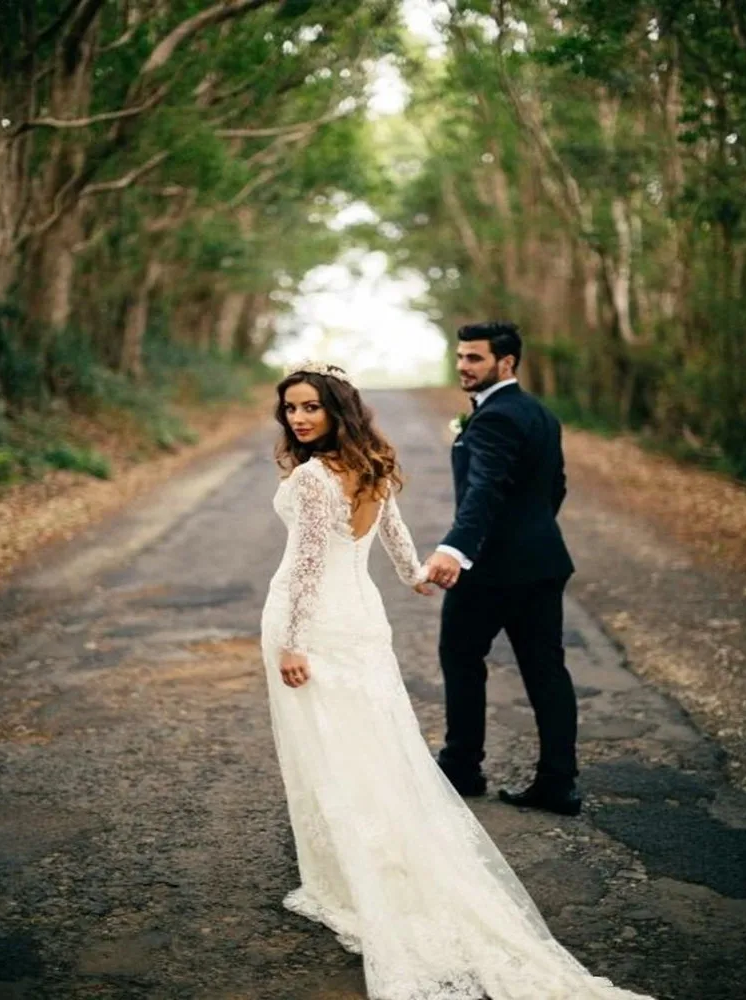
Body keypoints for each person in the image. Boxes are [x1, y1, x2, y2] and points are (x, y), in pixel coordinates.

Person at [260, 360, 655, 1000]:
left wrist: (292, 643)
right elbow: (393, 534)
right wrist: (417, 574)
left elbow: (306, 566)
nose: (299, 418)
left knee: (328, 747)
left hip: (312, 625)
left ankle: (349, 874)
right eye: (291, 409)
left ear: (336, 410)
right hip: (360, 618)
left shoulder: (312, 478)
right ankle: (374, 857)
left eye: (310, 407)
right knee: (370, 743)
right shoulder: (372, 464)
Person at [424, 321, 580, 815]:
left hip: (490, 569)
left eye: (474, 358)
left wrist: (455, 548)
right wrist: (530, 534)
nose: (463, 366)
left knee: (460, 656)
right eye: (461, 356)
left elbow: (483, 491)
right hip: (541, 562)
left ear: (505, 363)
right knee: (546, 671)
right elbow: (554, 487)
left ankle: (462, 766)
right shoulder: (540, 414)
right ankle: (558, 783)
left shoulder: (492, 419)